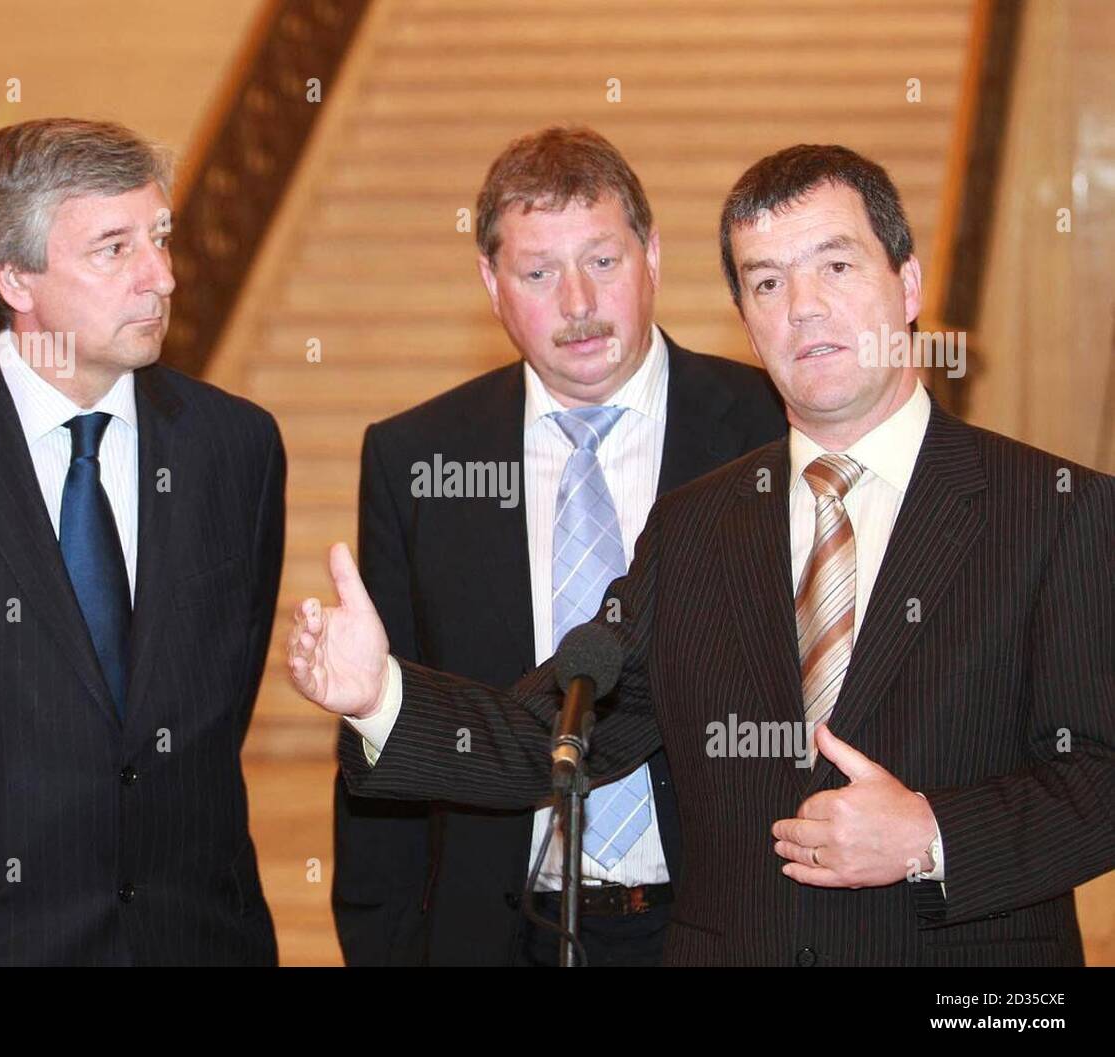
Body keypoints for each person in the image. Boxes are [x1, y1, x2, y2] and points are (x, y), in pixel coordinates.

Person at [292, 144, 1115, 966]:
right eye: (767, 282)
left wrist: (931, 836)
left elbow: (1102, 774)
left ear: (907, 284)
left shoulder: (1056, 511)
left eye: (835, 265)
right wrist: (380, 695)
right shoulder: (692, 525)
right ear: (746, 321)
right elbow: (563, 727)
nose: (804, 307)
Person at [0, 118, 284, 965]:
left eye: (160, 238)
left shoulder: (235, 448)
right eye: (114, 249)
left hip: (192, 939)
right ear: (13, 276)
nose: (163, 277)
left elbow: (209, 712)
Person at [332, 126, 784, 966]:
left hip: (724, 925)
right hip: (498, 931)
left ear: (652, 254)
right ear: (490, 283)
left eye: (603, 262)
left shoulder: (766, 429)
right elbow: (386, 726)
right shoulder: (417, 457)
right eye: (539, 273)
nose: (577, 303)